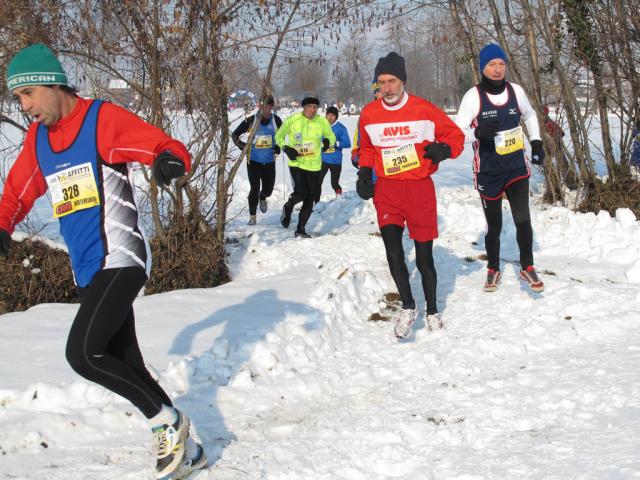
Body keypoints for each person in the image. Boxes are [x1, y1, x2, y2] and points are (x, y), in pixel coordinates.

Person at [0, 44, 206, 480]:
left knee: (83, 353)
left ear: (54, 84)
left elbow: (161, 145)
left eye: (29, 94)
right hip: (87, 268)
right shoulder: (40, 140)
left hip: (122, 257)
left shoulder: (101, 121)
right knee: (124, 360)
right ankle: (187, 448)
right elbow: (19, 190)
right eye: (19, 99)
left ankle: (167, 423)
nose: (25, 106)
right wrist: (3, 225)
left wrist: (171, 161)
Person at [357, 52, 465, 338]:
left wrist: (445, 149)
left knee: (423, 258)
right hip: (388, 191)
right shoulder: (369, 114)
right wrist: (364, 173)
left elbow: (456, 136)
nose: (387, 88)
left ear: (402, 81)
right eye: (381, 82)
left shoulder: (424, 110)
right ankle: (408, 306)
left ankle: (432, 310)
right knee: (392, 251)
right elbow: (365, 148)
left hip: (419, 190)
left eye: (392, 81)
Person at [455, 43, 546, 293]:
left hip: (516, 166)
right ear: (483, 68)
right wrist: (477, 132)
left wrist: (536, 142)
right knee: (494, 226)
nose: (497, 70)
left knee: (523, 219)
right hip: (489, 171)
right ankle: (493, 268)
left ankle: (527, 266)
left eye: (501, 64)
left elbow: (529, 115)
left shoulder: (516, 91)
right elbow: (455, 133)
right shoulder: (473, 97)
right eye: (491, 65)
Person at [275, 92, 335, 238]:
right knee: (301, 193)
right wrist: (286, 148)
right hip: (297, 163)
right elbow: (278, 136)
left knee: (310, 198)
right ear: (303, 107)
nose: (312, 110)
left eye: (315, 107)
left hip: (314, 164)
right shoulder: (293, 120)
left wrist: (328, 142)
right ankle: (288, 207)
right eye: (309, 106)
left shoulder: (322, 121)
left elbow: (331, 135)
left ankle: (300, 229)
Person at [231, 95, 282, 225]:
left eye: (269, 107)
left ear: (271, 108)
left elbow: (283, 137)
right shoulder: (251, 120)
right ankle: (252, 216)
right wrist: (242, 146)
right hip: (253, 161)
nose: (266, 110)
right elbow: (234, 134)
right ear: (260, 106)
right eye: (264, 107)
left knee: (269, 190)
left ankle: (263, 196)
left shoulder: (276, 121)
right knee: (254, 188)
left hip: (269, 161)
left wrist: (278, 147)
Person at [315, 106, 351, 202]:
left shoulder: (341, 128)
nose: (330, 117)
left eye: (332, 115)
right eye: (328, 115)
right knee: (318, 181)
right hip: (323, 160)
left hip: (335, 161)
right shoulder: (322, 126)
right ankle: (316, 202)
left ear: (336, 117)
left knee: (334, 183)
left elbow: (348, 143)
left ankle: (339, 199)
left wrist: (335, 143)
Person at [543, 105, 577, 189]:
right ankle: (555, 184)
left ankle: (568, 184)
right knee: (555, 164)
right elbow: (561, 132)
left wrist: (554, 136)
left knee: (560, 163)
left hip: (554, 144)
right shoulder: (546, 121)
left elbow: (561, 132)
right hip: (551, 144)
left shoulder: (548, 122)